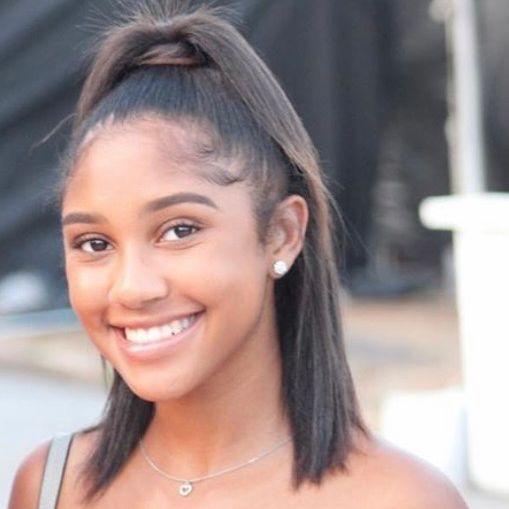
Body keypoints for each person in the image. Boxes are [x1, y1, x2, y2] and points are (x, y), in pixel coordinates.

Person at [8, 2, 468, 508]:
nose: (133, 287)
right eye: (94, 244)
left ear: (283, 234)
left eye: (179, 231)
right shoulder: (51, 485)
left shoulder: (398, 498)